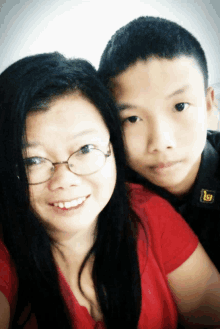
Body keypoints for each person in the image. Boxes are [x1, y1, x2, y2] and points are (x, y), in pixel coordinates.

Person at [0, 53, 220, 329]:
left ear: (113, 146)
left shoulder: (147, 213)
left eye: (85, 149)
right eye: (32, 161)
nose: (65, 180)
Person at [98, 16, 220, 271]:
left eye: (180, 106)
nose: (161, 142)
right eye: (132, 118)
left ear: (209, 105)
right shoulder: (102, 191)